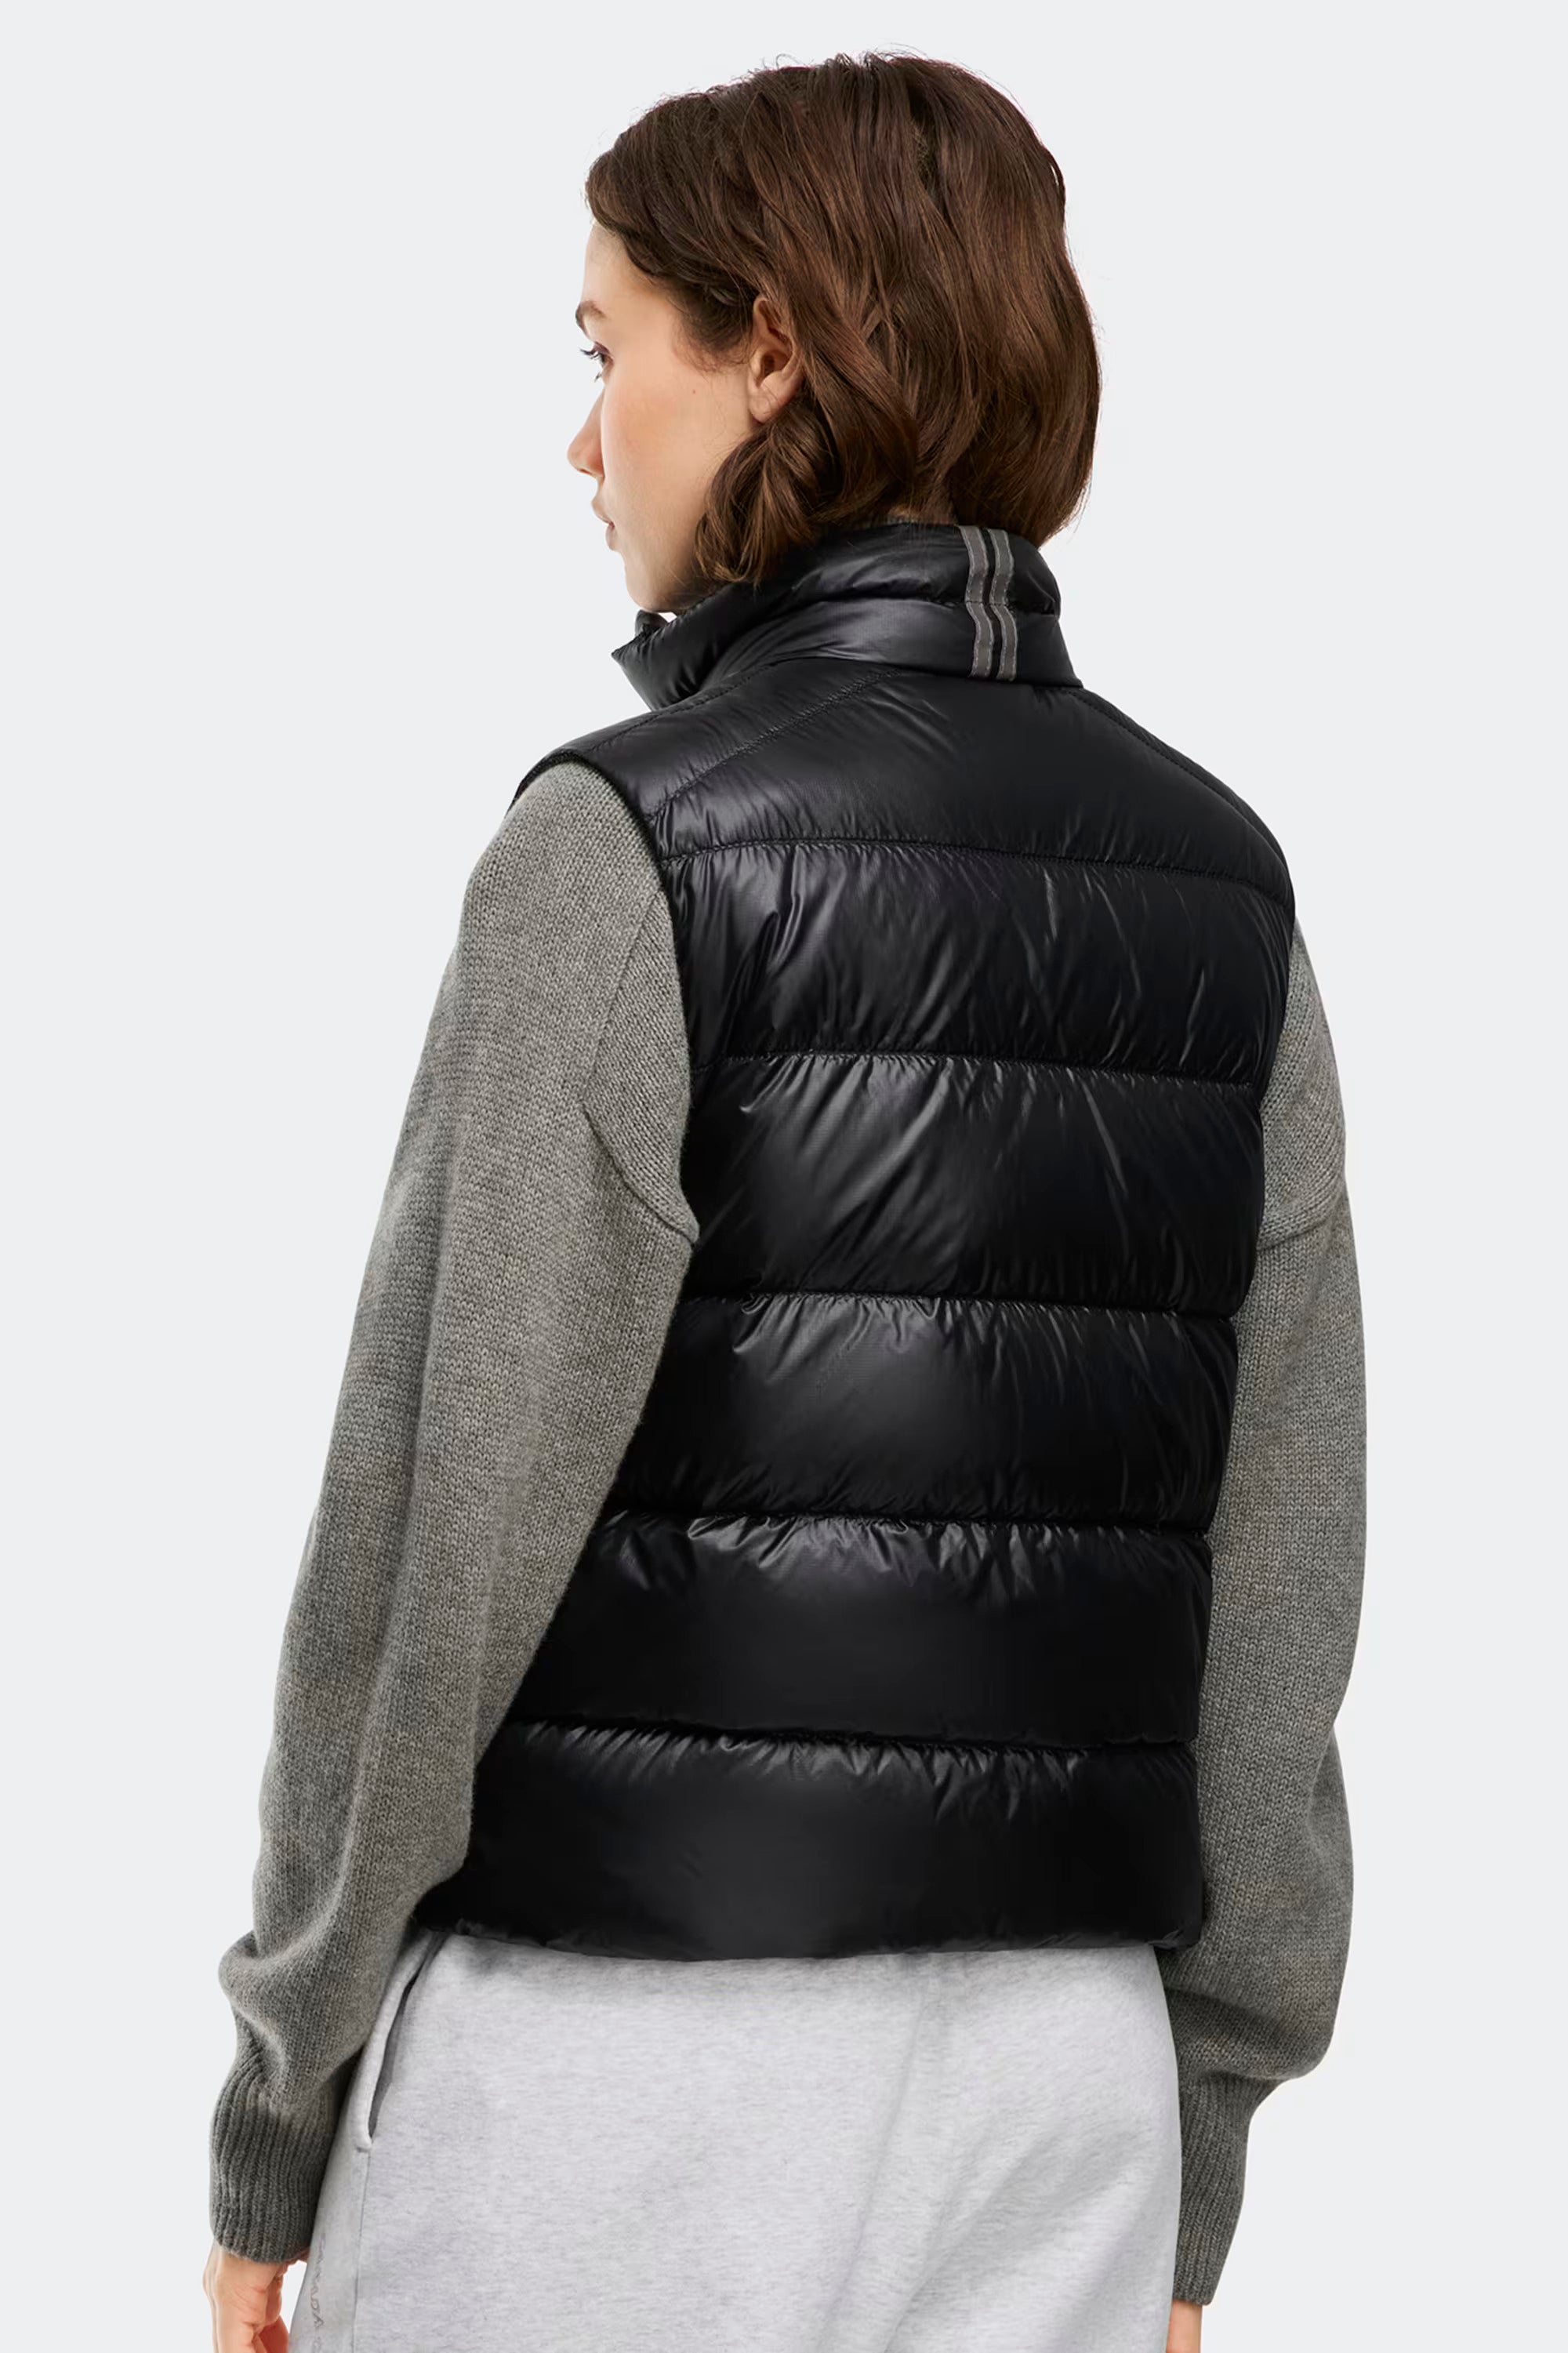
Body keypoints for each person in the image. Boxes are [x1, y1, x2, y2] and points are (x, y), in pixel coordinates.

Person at [203, 50, 1365, 2353]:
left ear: (771, 353)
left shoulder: (623, 842)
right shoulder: (1227, 890)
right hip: (1062, 2096)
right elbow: (1283, 1582)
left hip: (625, 2087)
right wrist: (1198, 2142)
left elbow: (433, 1533)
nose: (583, 438)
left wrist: (282, 2090)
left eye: (604, 345)